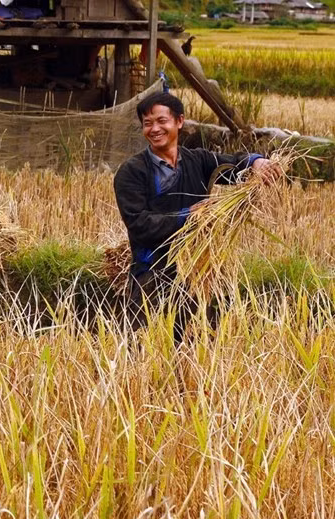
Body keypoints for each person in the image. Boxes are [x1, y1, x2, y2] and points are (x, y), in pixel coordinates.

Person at [113, 92, 280, 340]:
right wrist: (188, 216)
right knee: (146, 350)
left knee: (198, 346)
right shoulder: (131, 172)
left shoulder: (198, 160)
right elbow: (139, 224)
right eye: (148, 124)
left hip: (198, 273)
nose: (154, 129)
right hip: (152, 273)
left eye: (162, 121)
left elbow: (233, 164)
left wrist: (255, 163)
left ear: (179, 121)